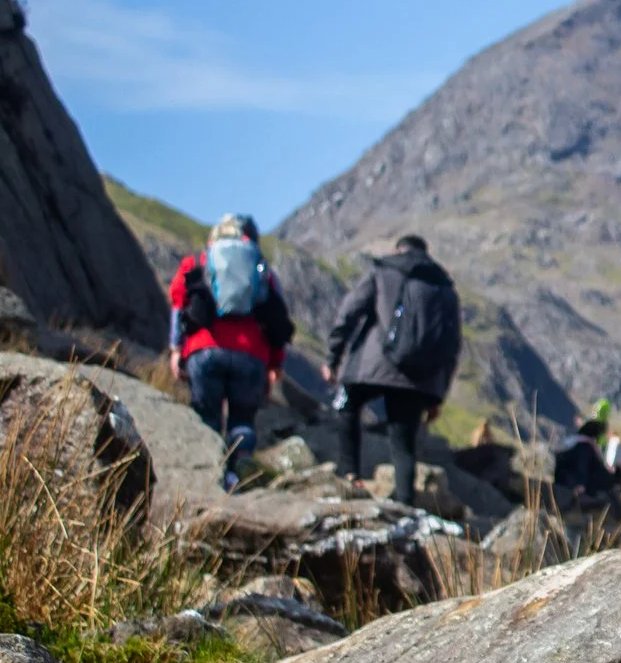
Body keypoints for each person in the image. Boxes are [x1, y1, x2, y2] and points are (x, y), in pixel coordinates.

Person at [325, 233, 463, 509]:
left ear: (398, 249)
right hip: (418, 379)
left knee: (347, 408)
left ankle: (350, 477)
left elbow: (349, 312)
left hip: (372, 365)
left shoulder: (384, 270)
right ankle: (405, 505)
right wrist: (438, 396)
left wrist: (333, 358)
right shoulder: (443, 286)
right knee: (403, 442)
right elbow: (451, 345)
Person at [168, 214, 295, 491]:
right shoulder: (261, 269)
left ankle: (207, 483)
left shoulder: (200, 261)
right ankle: (241, 479)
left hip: (205, 349)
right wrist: (275, 363)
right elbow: (276, 317)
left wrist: (176, 349)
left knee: (206, 417)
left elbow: (179, 300)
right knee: (242, 420)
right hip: (251, 355)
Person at [549, 412, 621, 524]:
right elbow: (595, 474)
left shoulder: (570, 444)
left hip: (562, 489)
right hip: (578, 495)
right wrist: (616, 476)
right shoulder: (585, 448)